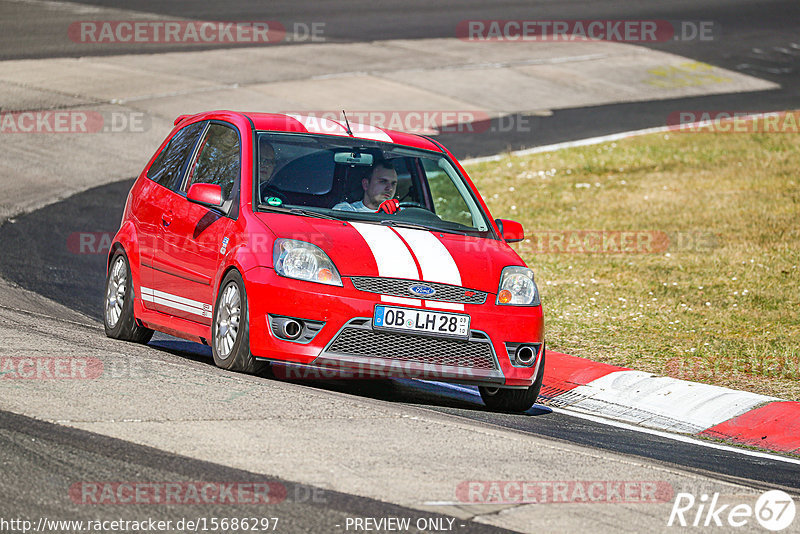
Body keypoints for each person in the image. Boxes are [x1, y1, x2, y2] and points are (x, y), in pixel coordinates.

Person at [333, 159, 401, 214]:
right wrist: (381, 214)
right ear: (366, 184)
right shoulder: (345, 210)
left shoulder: (402, 214)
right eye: (383, 181)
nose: (390, 188)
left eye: (393, 183)